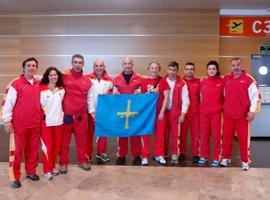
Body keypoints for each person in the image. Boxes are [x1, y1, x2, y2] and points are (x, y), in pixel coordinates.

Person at [2, 57, 41, 188]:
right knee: (17, 152)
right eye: (28, 65)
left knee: (33, 150)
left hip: (35, 124)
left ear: (36, 68)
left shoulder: (38, 84)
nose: (31, 67)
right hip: (19, 125)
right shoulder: (16, 84)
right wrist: (7, 121)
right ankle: (15, 177)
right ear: (23, 68)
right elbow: (8, 104)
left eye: (33, 65)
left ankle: (31, 171)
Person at [220, 57, 260, 171]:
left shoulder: (249, 79)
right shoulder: (226, 78)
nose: (235, 67)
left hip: (243, 116)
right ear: (230, 66)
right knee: (227, 138)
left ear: (241, 66)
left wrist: (252, 111)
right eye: (233, 65)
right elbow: (223, 94)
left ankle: (245, 161)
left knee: (243, 139)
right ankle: (225, 158)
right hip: (228, 115)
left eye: (237, 65)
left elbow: (256, 98)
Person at [59, 54, 92, 173]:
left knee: (82, 140)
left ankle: (82, 160)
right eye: (75, 62)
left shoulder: (88, 81)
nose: (78, 65)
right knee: (64, 142)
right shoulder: (63, 76)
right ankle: (63, 163)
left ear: (83, 64)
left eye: (80, 62)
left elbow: (90, 98)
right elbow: (49, 80)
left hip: (81, 116)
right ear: (71, 63)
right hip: (66, 115)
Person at [113, 57, 142, 165]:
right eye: (125, 63)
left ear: (132, 65)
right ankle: (121, 155)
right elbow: (113, 91)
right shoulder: (116, 79)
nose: (127, 65)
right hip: (121, 111)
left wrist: (140, 91)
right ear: (122, 65)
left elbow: (143, 92)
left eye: (129, 63)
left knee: (135, 133)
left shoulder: (139, 78)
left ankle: (136, 155)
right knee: (122, 133)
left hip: (135, 110)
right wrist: (114, 92)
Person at [140, 61, 169, 166]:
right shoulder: (143, 81)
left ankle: (159, 154)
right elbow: (141, 98)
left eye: (156, 68)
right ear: (148, 69)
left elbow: (166, 97)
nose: (154, 70)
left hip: (159, 113)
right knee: (145, 135)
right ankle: (144, 156)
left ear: (159, 69)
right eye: (152, 68)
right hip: (147, 114)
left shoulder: (163, 81)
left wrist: (162, 111)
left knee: (160, 135)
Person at [86, 59, 113, 164]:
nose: (99, 68)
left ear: (104, 66)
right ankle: (87, 154)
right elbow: (88, 95)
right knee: (89, 134)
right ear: (93, 67)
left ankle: (101, 152)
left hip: (104, 112)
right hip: (90, 111)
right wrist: (91, 111)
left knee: (103, 133)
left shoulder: (109, 80)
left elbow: (110, 96)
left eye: (101, 65)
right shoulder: (88, 78)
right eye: (96, 66)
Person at [40, 67, 65, 180]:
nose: (53, 77)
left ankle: (52, 166)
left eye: (55, 75)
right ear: (47, 76)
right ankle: (46, 169)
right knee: (48, 147)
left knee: (56, 146)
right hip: (46, 123)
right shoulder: (41, 89)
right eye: (51, 75)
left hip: (59, 122)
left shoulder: (61, 90)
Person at [163, 61, 190, 165]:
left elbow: (186, 99)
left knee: (175, 135)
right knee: (163, 134)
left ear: (177, 71)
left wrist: (183, 114)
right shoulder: (162, 81)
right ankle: (163, 154)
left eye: (174, 70)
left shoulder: (182, 83)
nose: (172, 72)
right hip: (165, 112)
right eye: (170, 69)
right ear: (167, 70)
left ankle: (175, 154)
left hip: (176, 113)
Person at [199, 61, 224, 167]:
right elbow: (200, 96)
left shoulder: (222, 81)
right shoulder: (203, 81)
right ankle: (204, 156)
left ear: (217, 70)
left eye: (213, 69)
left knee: (217, 137)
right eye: (209, 69)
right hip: (204, 114)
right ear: (207, 70)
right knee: (204, 136)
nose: (211, 71)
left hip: (216, 114)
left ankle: (217, 157)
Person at [180, 62, 200, 163]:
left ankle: (196, 154)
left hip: (195, 114)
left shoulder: (198, 82)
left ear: (194, 71)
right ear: (184, 70)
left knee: (196, 135)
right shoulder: (180, 81)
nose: (189, 71)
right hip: (183, 114)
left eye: (191, 69)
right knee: (182, 135)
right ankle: (182, 153)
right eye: (187, 69)